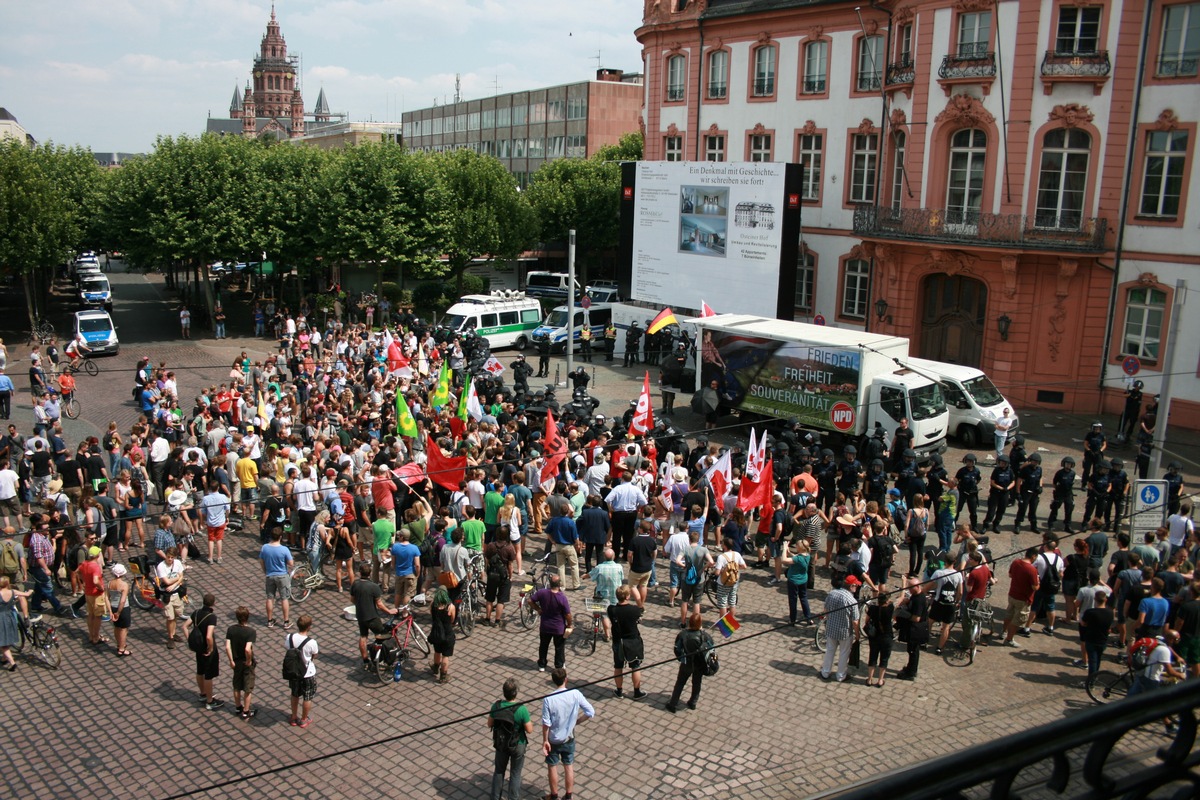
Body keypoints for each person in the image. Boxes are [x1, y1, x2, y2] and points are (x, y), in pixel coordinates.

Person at [541, 667, 595, 800]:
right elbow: (590, 712)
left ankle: (554, 795)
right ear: (566, 679)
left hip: (553, 739)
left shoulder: (549, 699)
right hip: (569, 738)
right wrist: (577, 722)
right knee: (568, 765)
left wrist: (545, 740)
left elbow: (546, 723)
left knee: (552, 766)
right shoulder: (575, 694)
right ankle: (569, 795)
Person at [488, 677, 534, 800]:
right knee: (515, 773)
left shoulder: (496, 706)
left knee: (499, 771)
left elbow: (489, 724)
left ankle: (495, 797)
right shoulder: (521, 709)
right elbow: (529, 730)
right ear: (516, 692)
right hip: (517, 744)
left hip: (501, 743)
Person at [351, 563, 397, 669]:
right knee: (383, 635)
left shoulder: (355, 584)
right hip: (372, 617)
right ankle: (382, 658)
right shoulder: (374, 587)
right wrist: (389, 611)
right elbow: (379, 605)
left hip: (361, 616)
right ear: (370, 573)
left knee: (363, 637)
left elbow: (352, 599)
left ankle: (365, 660)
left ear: (360, 572)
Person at [667, 612, 714, 711]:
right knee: (697, 683)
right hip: (699, 664)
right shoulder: (705, 636)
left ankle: (673, 704)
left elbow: (677, 649)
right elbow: (711, 649)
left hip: (686, 663)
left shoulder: (682, 634)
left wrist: (681, 658)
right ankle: (693, 702)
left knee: (680, 683)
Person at [607, 584, 645, 699]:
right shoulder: (634, 610)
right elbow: (640, 613)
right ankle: (637, 691)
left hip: (619, 641)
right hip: (632, 641)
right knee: (635, 666)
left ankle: (619, 691)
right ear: (628, 596)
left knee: (618, 667)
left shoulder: (611, 609)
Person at [820, 575, 861, 682]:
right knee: (844, 654)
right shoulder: (852, 601)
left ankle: (825, 672)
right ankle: (841, 676)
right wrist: (857, 635)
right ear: (851, 586)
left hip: (831, 629)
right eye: (856, 585)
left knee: (830, 651)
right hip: (845, 633)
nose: (856, 587)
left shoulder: (832, 594)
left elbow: (825, 611)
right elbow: (855, 621)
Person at [187, 593, 223, 711]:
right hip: (207, 649)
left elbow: (184, 626)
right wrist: (211, 648)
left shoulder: (196, 613)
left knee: (200, 670)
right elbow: (209, 636)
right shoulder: (211, 617)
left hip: (198, 648)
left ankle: (202, 694)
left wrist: (190, 640)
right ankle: (210, 701)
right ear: (213, 603)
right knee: (208, 675)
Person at [532, 575, 572, 672]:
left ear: (550, 583)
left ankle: (542, 664)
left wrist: (538, 609)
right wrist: (570, 624)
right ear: (559, 584)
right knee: (559, 647)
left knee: (543, 645)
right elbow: (567, 614)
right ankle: (559, 665)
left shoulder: (542, 592)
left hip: (545, 626)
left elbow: (530, 600)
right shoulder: (562, 598)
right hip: (558, 627)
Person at [224, 605, 258, 719]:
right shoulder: (251, 632)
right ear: (247, 617)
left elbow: (227, 647)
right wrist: (248, 660)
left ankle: (238, 707)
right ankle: (246, 711)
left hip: (236, 662)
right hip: (245, 663)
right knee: (248, 687)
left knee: (237, 685)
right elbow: (247, 649)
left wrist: (231, 661)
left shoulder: (231, 629)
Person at [1002, 548, 1040, 646]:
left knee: (1009, 614)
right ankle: (1009, 639)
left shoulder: (1016, 562)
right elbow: (1035, 587)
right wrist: (1038, 583)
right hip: (1023, 598)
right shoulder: (1032, 569)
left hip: (1012, 594)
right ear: (1033, 556)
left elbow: (1010, 575)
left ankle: (1003, 632)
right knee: (1018, 619)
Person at [676, 529, 713, 629]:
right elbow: (711, 561)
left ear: (689, 539)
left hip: (686, 578)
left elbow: (677, 560)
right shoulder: (703, 550)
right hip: (699, 579)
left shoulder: (686, 549)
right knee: (696, 602)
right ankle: (697, 624)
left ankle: (683, 622)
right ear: (699, 539)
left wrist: (684, 566)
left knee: (684, 600)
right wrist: (704, 567)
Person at [286, 615, 319, 728]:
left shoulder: (289, 637)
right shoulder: (311, 642)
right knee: (307, 696)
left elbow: (288, 649)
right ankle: (304, 719)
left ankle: (294, 717)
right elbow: (314, 654)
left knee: (295, 694)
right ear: (309, 627)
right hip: (307, 673)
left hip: (294, 672)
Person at [895, 576, 929, 680]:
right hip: (913, 629)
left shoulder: (919, 599)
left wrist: (904, 614)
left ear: (917, 587)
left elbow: (916, 618)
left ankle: (911, 673)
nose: (909, 590)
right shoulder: (915, 595)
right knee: (911, 651)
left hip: (916, 630)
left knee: (914, 652)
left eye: (911, 587)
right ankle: (910, 668)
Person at [259, 528, 293, 630]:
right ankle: (286, 621)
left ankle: (270, 620)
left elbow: (261, 560)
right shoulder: (284, 549)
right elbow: (291, 563)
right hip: (282, 576)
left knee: (270, 598)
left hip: (270, 575)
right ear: (280, 537)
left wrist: (265, 571)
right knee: (284, 598)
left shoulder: (265, 547)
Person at [588, 547, 624, 641]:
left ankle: (607, 635)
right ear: (614, 556)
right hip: (616, 595)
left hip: (603, 595)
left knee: (604, 615)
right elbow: (622, 578)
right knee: (615, 614)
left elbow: (591, 574)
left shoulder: (599, 567)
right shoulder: (619, 567)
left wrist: (584, 576)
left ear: (604, 557)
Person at [155, 546, 187, 647]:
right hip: (167, 595)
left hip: (176, 593)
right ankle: (170, 637)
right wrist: (178, 578)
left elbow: (181, 576)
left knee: (177, 614)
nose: (169, 559)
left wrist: (174, 584)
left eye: (172, 557)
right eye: (168, 557)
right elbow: (167, 581)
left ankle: (173, 633)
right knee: (170, 617)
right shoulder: (161, 566)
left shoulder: (177, 563)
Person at [1077, 590, 1113, 677]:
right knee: (1098, 660)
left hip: (1091, 639)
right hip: (1103, 640)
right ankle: (1095, 676)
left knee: (1092, 661)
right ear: (1105, 600)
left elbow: (1083, 623)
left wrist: (1080, 619)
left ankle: (1091, 681)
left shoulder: (1090, 612)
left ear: (1095, 599)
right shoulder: (1110, 613)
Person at [483, 533, 516, 628]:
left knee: (489, 598)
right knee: (501, 600)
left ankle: (487, 619)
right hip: (503, 576)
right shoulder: (509, 547)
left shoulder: (491, 545)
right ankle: (497, 621)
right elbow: (510, 565)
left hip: (492, 575)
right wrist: (510, 576)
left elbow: (487, 559)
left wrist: (487, 571)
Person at [865, 586, 895, 687]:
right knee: (884, 658)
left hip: (874, 636)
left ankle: (869, 679)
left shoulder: (872, 608)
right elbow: (899, 600)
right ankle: (880, 680)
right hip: (886, 636)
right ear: (887, 600)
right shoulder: (890, 609)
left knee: (872, 657)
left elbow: (866, 621)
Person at [0, 575, 32, 670]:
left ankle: (12, 663)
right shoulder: (13, 592)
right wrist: (30, 591)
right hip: (10, 617)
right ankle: (3, 658)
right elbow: (26, 595)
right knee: (8, 639)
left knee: (2, 643)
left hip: (1, 618)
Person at [428, 586, 457, 684]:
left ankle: (435, 667)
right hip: (448, 633)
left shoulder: (433, 605)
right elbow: (453, 619)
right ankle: (443, 676)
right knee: (446, 656)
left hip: (437, 633)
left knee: (437, 651)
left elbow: (432, 616)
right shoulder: (450, 607)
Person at [713, 535, 747, 615]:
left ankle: (723, 624)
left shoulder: (721, 557)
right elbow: (744, 566)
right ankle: (731, 622)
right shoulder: (737, 554)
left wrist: (723, 570)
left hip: (723, 583)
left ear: (725, 546)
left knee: (723, 603)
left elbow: (717, 573)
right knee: (732, 602)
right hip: (734, 581)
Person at [107, 562, 131, 657]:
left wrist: (110, 611)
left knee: (116, 627)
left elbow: (106, 598)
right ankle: (122, 648)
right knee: (124, 629)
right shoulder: (124, 585)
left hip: (113, 606)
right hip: (123, 609)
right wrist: (119, 612)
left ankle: (118, 644)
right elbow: (122, 601)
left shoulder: (109, 583)